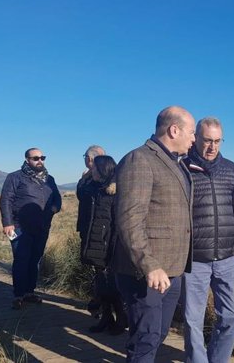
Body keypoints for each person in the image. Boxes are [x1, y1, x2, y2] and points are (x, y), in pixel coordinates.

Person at [110, 105, 195, 363]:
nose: (194, 139)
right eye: (191, 133)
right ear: (174, 130)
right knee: (146, 337)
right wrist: (149, 265)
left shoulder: (175, 163)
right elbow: (129, 218)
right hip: (146, 272)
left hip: (171, 270)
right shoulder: (140, 160)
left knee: (156, 334)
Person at [183, 117, 234, 363]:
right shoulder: (183, 167)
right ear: (196, 139)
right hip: (195, 259)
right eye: (207, 141)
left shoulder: (230, 168)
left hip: (227, 257)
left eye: (217, 141)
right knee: (192, 321)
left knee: (233, 315)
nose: (212, 147)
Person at [0, 148, 62, 310]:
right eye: (35, 158)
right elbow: (6, 200)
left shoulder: (50, 179)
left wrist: (53, 210)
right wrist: (7, 223)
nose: (40, 160)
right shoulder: (15, 177)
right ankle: (18, 295)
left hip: (42, 227)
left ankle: (29, 292)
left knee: (35, 260)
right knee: (21, 259)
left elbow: (57, 199)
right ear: (27, 160)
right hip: (19, 227)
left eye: (42, 157)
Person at [78, 155, 128, 335]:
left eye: (95, 169)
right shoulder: (94, 188)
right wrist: (85, 178)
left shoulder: (116, 192)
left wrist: (114, 246)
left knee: (112, 285)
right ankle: (106, 317)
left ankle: (121, 319)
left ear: (103, 170)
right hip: (95, 242)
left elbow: (119, 223)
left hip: (110, 245)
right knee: (101, 283)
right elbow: (80, 193)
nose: (92, 171)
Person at [76, 144, 106, 315]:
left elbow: (83, 197)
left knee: (100, 267)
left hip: (97, 228)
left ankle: (102, 303)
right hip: (88, 226)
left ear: (89, 158)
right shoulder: (90, 177)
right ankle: (98, 300)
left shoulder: (100, 179)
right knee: (95, 267)